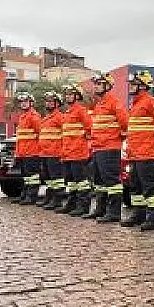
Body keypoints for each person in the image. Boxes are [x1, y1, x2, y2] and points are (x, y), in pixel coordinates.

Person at [121, 70, 154, 229]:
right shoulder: (135, 104)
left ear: (143, 85)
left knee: (149, 187)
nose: (131, 87)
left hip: (146, 152)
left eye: (134, 84)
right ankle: (138, 215)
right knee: (135, 187)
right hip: (134, 153)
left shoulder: (151, 102)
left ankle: (153, 219)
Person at [85, 73, 128, 221]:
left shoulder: (114, 102)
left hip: (110, 147)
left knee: (111, 181)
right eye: (95, 83)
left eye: (99, 83)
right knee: (99, 182)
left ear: (107, 86)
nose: (95, 86)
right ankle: (100, 209)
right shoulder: (99, 104)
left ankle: (114, 213)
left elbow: (125, 123)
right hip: (98, 148)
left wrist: (116, 138)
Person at [57, 84, 93, 216]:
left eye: (71, 94)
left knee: (81, 182)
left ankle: (83, 207)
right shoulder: (67, 112)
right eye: (66, 94)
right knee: (71, 182)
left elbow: (90, 128)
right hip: (67, 153)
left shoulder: (81, 110)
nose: (68, 96)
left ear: (77, 96)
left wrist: (83, 140)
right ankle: (71, 204)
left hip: (78, 152)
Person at [35, 91, 66, 209]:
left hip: (55, 152)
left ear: (57, 103)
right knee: (48, 179)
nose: (48, 104)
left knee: (56, 178)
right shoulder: (45, 118)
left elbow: (65, 134)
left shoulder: (59, 117)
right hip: (44, 153)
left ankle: (57, 200)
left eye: (51, 101)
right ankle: (50, 198)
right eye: (47, 101)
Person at [13, 91, 43, 205]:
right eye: (22, 102)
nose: (23, 104)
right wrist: (17, 153)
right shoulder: (23, 117)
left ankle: (31, 197)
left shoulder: (34, 117)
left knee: (32, 176)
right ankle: (24, 195)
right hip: (23, 152)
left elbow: (40, 133)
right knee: (25, 176)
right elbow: (21, 137)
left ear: (31, 103)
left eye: (26, 102)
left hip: (32, 152)